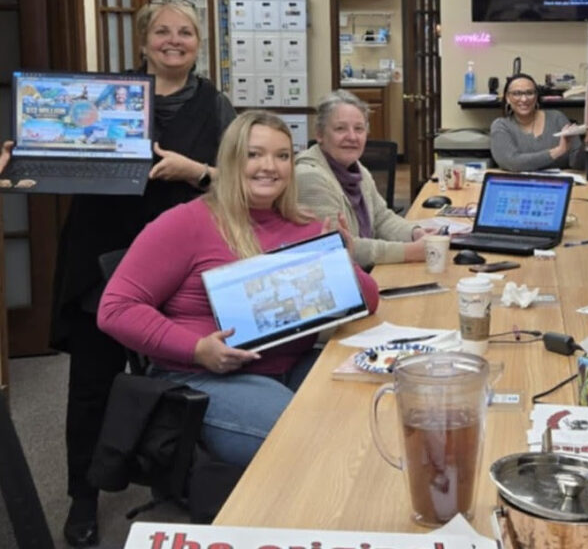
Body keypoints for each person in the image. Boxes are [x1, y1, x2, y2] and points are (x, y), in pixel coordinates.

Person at [49, 0, 235, 547]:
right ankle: (83, 496)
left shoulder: (216, 105)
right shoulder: (112, 96)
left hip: (183, 264)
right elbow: (62, 149)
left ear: (199, 45)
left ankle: (180, 477)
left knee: (185, 372)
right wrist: (26, 152)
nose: (173, 41)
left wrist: (192, 170)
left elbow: (241, 179)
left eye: (185, 33)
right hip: (101, 253)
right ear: (143, 40)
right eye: (162, 31)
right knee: (90, 383)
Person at [98, 111, 379, 468]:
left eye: (282, 156)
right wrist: (198, 349)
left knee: (374, 412)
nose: (270, 166)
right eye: (254, 154)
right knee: (313, 443)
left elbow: (368, 301)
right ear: (231, 160)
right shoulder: (185, 223)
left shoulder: (304, 223)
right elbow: (116, 309)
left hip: (290, 364)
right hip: (205, 375)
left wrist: (345, 261)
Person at [295, 90, 428, 268]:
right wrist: (410, 252)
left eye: (359, 129)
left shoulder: (358, 170)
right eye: (340, 128)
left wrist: (415, 233)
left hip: (363, 273)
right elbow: (341, 246)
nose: (352, 137)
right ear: (320, 134)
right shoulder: (309, 177)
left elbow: (382, 218)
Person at [490, 73, 588, 172]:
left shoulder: (557, 118)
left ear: (536, 96)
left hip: (560, 187)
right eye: (517, 93)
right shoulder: (501, 126)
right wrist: (558, 151)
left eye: (529, 93)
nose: (524, 99)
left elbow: (578, 164)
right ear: (508, 98)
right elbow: (512, 163)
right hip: (521, 188)